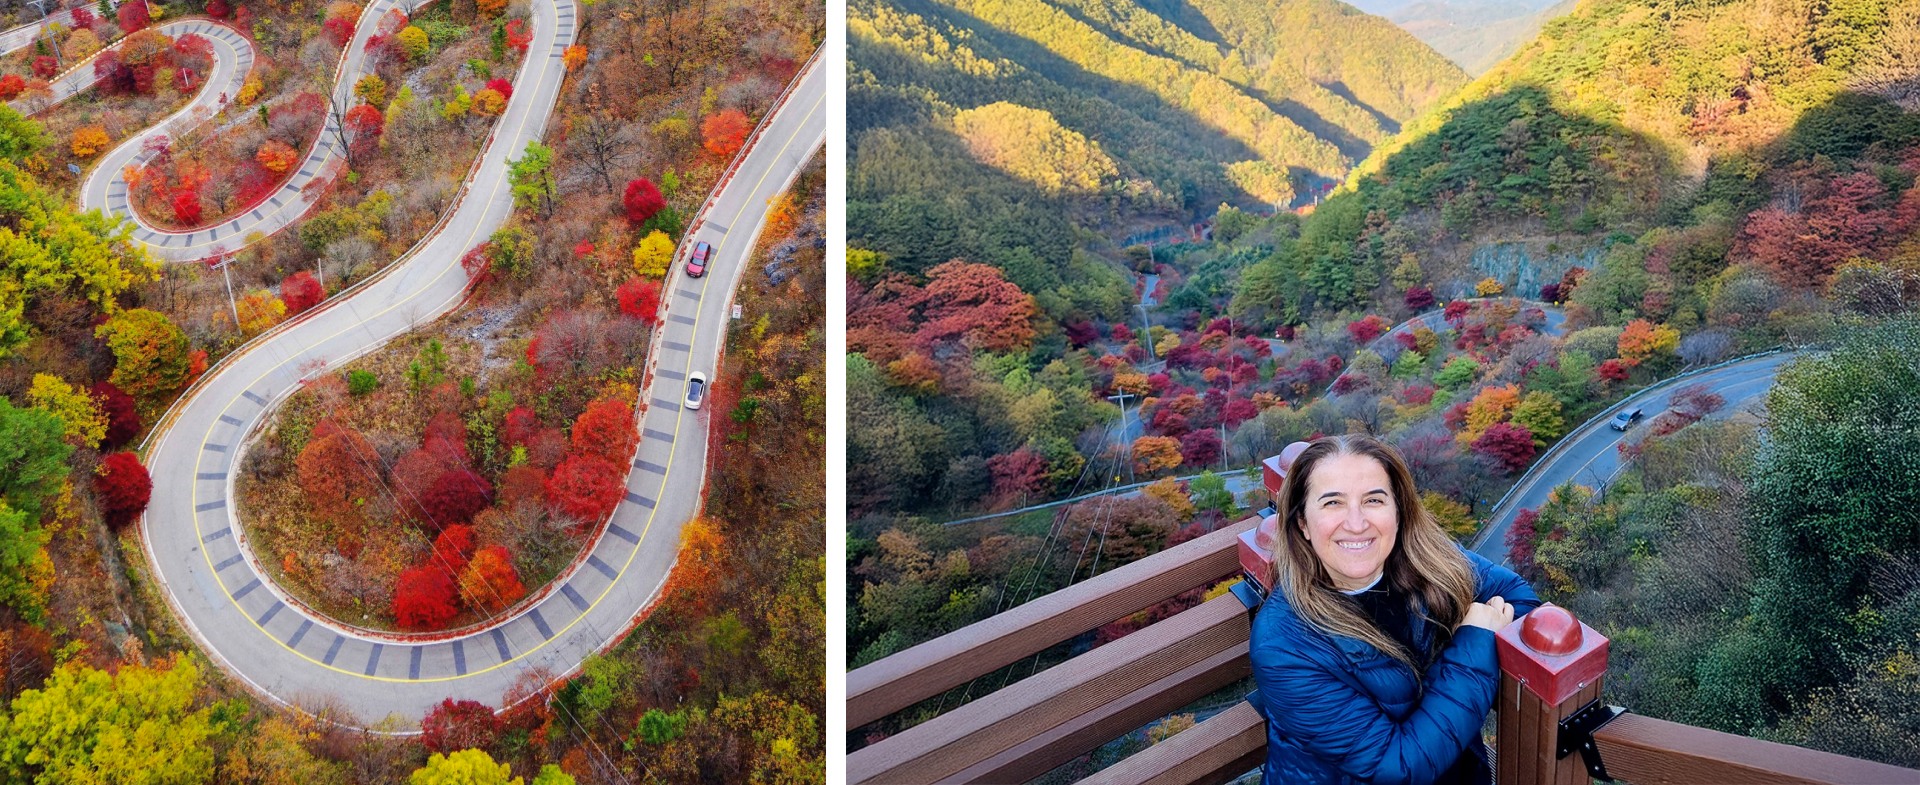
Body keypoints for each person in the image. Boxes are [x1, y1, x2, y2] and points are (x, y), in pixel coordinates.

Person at [1249, 434, 1540, 784]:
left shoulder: (1425, 558)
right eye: (1333, 503)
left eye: (1373, 500)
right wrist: (1473, 642)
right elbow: (1396, 767)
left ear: (1398, 511)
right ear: (1303, 523)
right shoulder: (1282, 644)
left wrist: (1465, 647)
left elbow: (1518, 596)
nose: (1356, 523)